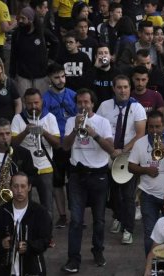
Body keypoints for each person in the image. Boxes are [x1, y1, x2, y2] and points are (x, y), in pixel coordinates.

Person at [61, 88, 114, 273]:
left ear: (93, 104)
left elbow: (111, 149)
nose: (83, 106)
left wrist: (94, 134)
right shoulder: (70, 121)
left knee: (99, 220)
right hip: (77, 175)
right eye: (80, 102)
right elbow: (65, 147)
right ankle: (73, 259)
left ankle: (98, 251)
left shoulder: (103, 122)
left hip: (98, 174)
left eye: (86, 102)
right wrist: (76, 129)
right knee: (76, 220)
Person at [97, 74, 146, 244]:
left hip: (128, 157)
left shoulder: (137, 107)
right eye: (119, 87)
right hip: (108, 155)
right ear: (114, 88)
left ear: (130, 88)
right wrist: (111, 150)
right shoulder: (104, 106)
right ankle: (118, 217)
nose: (123, 90)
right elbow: (99, 128)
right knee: (113, 193)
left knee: (128, 195)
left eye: (126, 87)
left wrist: (123, 151)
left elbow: (140, 134)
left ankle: (128, 229)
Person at [128, 110, 164, 256]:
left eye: (157, 126)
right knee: (150, 234)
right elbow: (130, 167)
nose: (154, 130)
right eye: (151, 127)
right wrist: (146, 170)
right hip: (148, 195)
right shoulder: (140, 143)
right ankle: (151, 267)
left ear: (163, 125)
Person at [0, 172, 52, 276]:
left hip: (33, 271)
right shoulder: (0, 212)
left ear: (29, 187)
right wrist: (2, 243)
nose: (19, 191)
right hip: (6, 271)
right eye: (15, 186)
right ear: (10, 188)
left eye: (23, 186)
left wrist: (28, 246)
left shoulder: (40, 212)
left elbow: (46, 241)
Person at [11, 88, 61, 219]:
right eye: (30, 103)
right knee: (22, 204)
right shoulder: (18, 118)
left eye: (36, 103)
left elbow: (57, 144)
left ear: (42, 102)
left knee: (47, 207)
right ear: (25, 103)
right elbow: (13, 145)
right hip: (25, 170)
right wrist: (25, 132)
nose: (33, 106)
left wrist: (43, 132)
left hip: (45, 169)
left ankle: (48, 238)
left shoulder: (50, 117)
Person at [42, 63, 78, 228]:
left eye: (63, 76)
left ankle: (76, 215)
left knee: (75, 182)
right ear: (50, 78)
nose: (61, 80)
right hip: (55, 145)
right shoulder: (45, 99)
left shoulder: (73, 95)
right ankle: (62, 215)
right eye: (56, 77)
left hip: (72, 143)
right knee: (57, 182)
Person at [0, 118, 37, 212]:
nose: (5, 137)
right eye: (1, 134)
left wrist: (17, 180)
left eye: (8, 133)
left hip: (18, 202)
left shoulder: (23, 153)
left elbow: (32, 176)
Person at [9, 7, 58, 97]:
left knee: (41, 102)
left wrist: (50, 61)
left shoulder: (42, 32)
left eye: (23, 18)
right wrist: (12, 75)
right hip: (23, 76)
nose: (20, 21)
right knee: (25, 103)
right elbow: (13, 55)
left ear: (31, 19)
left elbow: (55, 43)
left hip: (41, 76)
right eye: (19, 18)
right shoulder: (17, 34)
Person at [93, 44, 121, 108]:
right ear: (96, 57)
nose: (103, 55)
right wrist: (95, 67)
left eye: (106, 53)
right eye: (100, 53)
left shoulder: (117, 73)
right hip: (96, 108)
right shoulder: (92, 72)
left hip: (113, 108)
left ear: (110, 56)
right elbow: (86, 84)